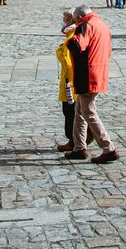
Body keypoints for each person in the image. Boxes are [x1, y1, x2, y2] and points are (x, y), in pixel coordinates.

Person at [64, 5, 119, 164]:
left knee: (88, 112)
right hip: (99, 71)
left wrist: (70, 32)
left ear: (79, 18)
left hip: (87, 74)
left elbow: (76, 45)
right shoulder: (102, 24)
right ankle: (79, 147)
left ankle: (108, 148)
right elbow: (108, 51)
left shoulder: (85, 26)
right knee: (79, 110)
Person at [54, 9, 81, 152]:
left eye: (64, 19)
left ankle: (73, 140)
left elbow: (68, 61)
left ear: (69, 21)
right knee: (73, 111)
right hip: (71, 80)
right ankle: (77, 140)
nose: (63, 21)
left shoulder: (72, 35)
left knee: (70, 111)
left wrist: (59, 51)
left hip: (70, 81)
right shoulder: (73, 33)